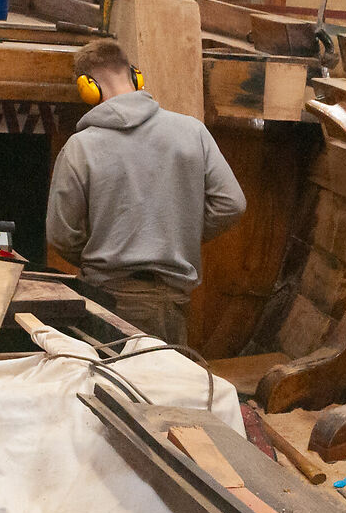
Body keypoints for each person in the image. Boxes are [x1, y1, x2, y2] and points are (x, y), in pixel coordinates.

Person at [45, 38, 245, 346]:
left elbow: (61, 235)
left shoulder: (80, 148)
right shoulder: (192, 131)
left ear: (88, 87)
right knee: (163, 377)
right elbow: (231, 204)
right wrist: (176, 237)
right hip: (171, 304)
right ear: (136, 76)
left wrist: (105, 248)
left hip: (105, 299)